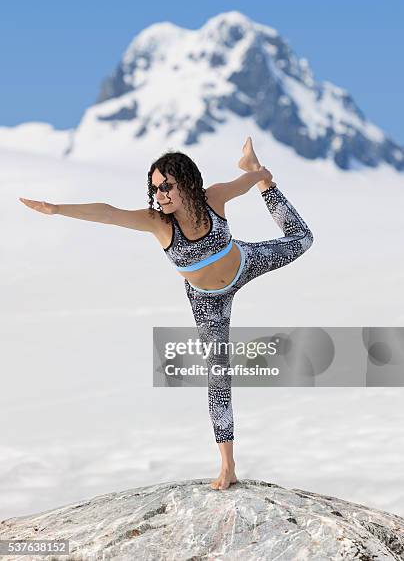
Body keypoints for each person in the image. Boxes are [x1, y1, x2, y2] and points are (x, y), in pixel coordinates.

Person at [19, 136, 314, 491]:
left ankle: (263, 174)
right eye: (155, 188)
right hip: (209, 302)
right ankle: (228, 466)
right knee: (218, 376)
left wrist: (258, 176)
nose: (160, 195)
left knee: (303, 239)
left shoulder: (214, 198)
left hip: (245, 263)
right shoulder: (158, 224)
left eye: (167, 186)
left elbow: (243, 184)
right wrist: (57, 209)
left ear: (187, 182)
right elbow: (109, 212)